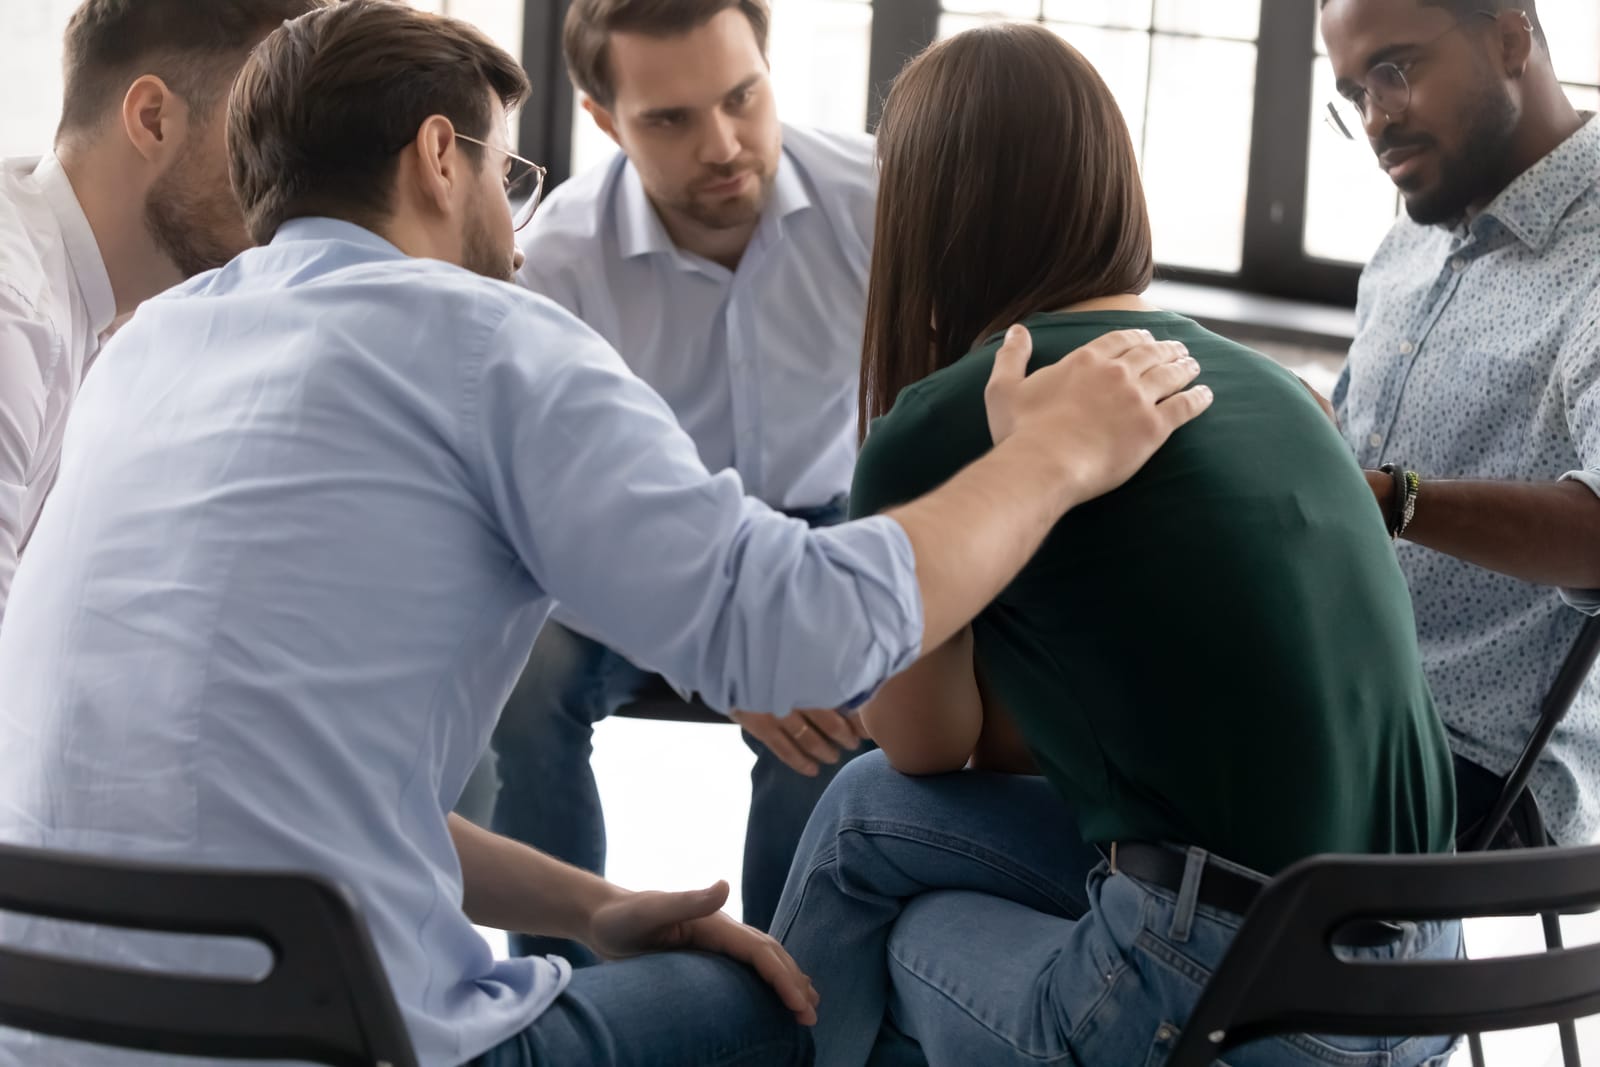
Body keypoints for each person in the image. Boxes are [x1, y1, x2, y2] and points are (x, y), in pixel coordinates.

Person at [0, 4, 1211, 1066]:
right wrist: (1053, 456)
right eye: (508, 174)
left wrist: (591, 906)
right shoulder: (486, 335)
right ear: (438, 155)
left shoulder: (140, 353)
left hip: (47, 1024)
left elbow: (287, 789)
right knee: (808, 995)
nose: (515, 224)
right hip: (347, 1036)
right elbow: (805, 629)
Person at [771, 24, 1459, 1066]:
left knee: (903, 927)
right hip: (1427, 983)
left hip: (1231, 1002)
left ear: (921, 216)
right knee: (866, 811)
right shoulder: (1273, 387)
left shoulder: (947, 417)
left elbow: (922, 745)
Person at [476, 0, 877, 957]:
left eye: (742, 96)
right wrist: (710, 638)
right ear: (605, 119)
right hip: (626, 548)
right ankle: (566, 994)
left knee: (835, 692)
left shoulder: (878, 199)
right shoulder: (556, 263)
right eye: (670, 119)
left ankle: (791, 990)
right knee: (517, 683)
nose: (724, 144)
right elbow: (540, 515)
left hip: (814, 526)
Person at [1318, 0, 1600, 850]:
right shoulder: (1408, 244)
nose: (1375, 120)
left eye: (1394, 71)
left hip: (1472, 766)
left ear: (1510, 39)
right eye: (1354, 94)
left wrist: (1394, 499)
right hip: (1326, 704)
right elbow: (1354, 462)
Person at [0, 0, 321, 629]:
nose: (291, 188)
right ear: (152, 120)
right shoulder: (17, 311)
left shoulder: (93, 313)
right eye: (263, 136)